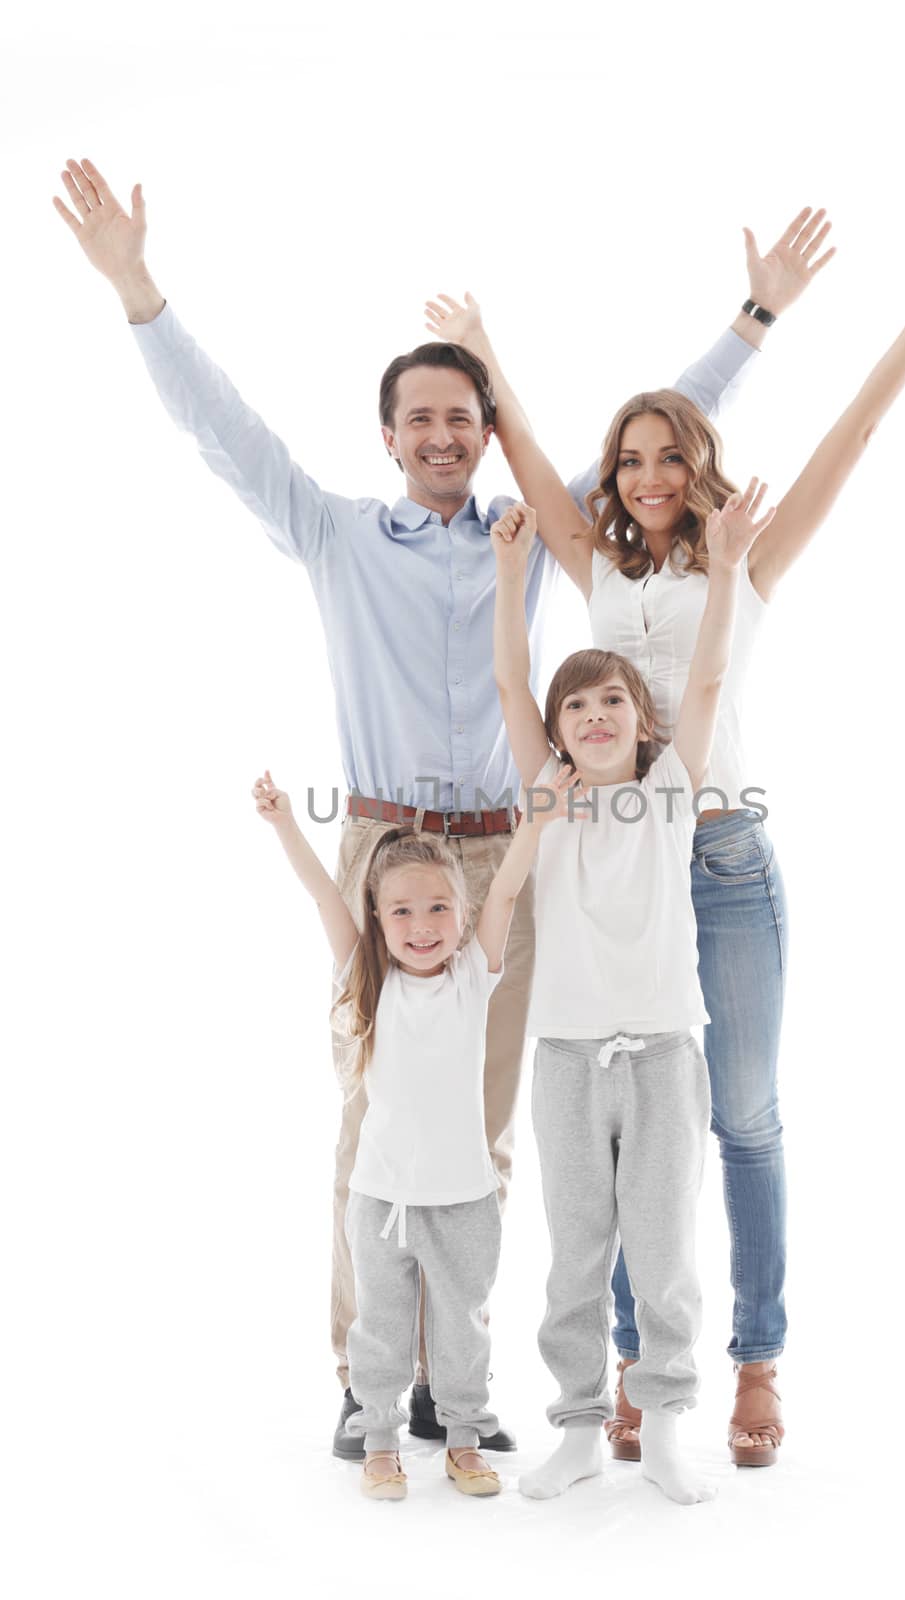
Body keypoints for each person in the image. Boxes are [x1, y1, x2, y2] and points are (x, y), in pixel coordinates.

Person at [52, 156, 797, 1455]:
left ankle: (458, 1382)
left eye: (467, 417)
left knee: (486, 1123)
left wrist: (750, 322)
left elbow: (653, 437)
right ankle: (364, 1379)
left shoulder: (520, 539)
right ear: (389, 438)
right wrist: (135, 286)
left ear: (486, 427)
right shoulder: (335, 534)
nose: (447, 437)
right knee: (373, 1113)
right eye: (423, 422)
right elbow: (221, 428)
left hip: (509, 859)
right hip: (384, 847)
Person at [428, 238, 905, 1467]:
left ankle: (755, 1359)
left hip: (720, 855)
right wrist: (486, 354)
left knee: (741, 1118)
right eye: (630, 458)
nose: (645, 475)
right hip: (607, 869)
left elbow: (847, 441)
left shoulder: (747, 561)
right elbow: (539, 469)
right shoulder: (594, 564)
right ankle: (646, 1369)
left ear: (699, 466)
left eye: (667, 455)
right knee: (622, 1119)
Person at [492, 486, 773, 1504]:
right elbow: (508, 681)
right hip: (566, 1057)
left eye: (611, 700)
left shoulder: (665, 792)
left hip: (661, 1054)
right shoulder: (548, 799)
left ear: (635, 718)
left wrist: (731, 562)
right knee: (576, 1256)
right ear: (559, 732)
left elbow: (706, 679)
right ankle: (574, 1424)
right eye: (577, 706)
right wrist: (507, 573)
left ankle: (659, 1424)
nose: (594, 715)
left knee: (662, 1254)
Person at [250, 764, 577, 1497]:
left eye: (437, 909)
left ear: (460, 918)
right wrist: (285, 826)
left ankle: (463, 1438)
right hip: (382, 1200)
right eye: (400, 912)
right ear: (378, 919)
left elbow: (507, 890)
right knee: (381, 1329)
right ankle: (378, 1441)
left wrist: (537, 819)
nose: (421, 926)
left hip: (464, 1198)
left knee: (462, 1329)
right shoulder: (366, 978)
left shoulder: (472, 976)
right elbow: (325, 896)